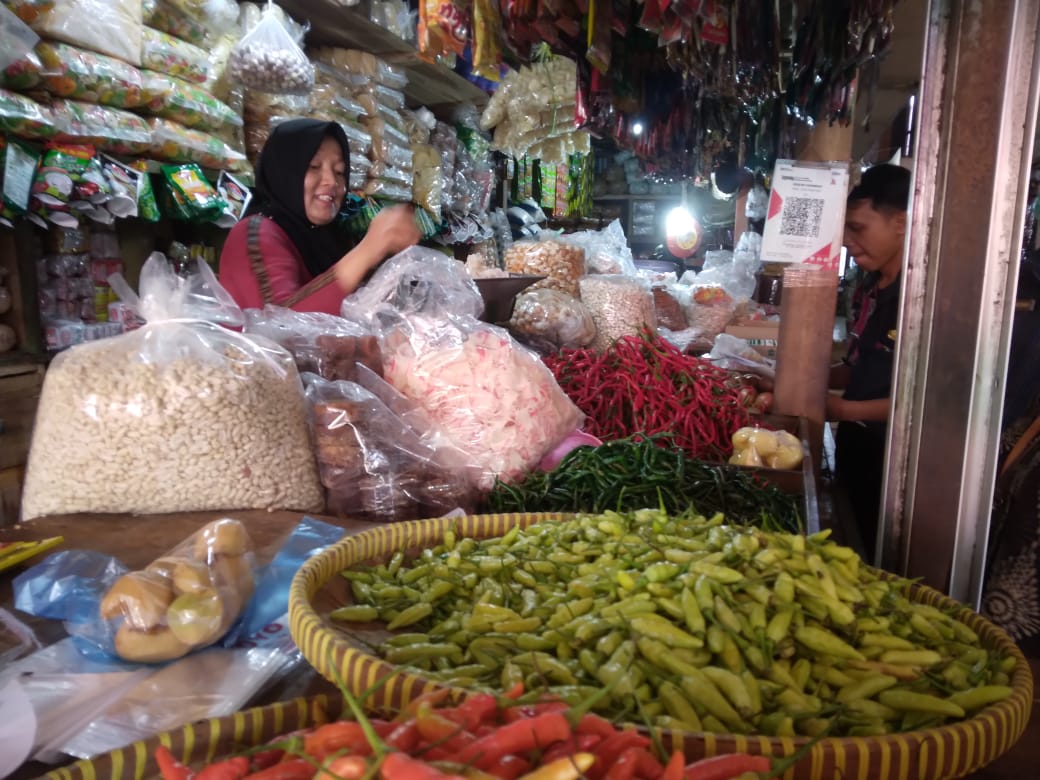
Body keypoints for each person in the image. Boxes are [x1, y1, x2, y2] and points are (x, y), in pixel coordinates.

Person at [219, 118, 421, 314]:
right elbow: (279, 326)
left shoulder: (330, 238)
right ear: (284, 172)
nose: (332, 181)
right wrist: (369, 249)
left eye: (340, 172)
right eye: (314, 167)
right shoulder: (254, 233)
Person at [826, 163, 911, 561]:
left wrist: (842, 408)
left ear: (901, 222)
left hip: (894, 466)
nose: (847, 241)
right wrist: (808, 380)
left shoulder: (920, 298)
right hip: (856, 449)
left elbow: (927, 402)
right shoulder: (871, 289)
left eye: (857, 228)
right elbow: (860, 364)